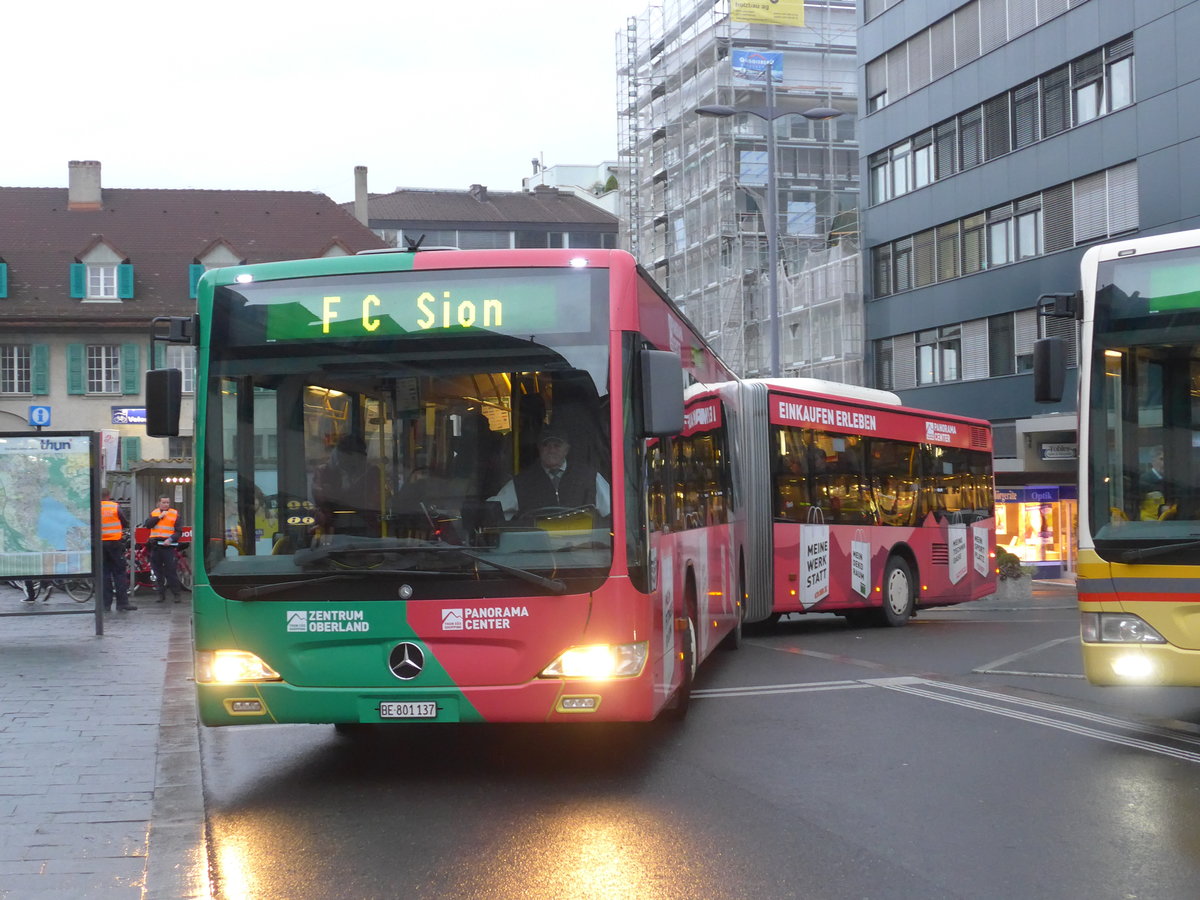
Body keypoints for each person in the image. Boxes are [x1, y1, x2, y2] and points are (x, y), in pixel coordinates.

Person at [489, 427, 611, 521]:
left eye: (557, 445)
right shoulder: (521, 483)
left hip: (584, 549)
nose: (551, 450)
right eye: (546, 445)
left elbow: (612, 512)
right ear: (539, 448)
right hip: (537, 550)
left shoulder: (590, 477)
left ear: (567, 449)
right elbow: (493, 510)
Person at [312, 434, 383, 536]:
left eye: (358, 456)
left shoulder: (373, 472)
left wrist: (337, 496)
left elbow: (374, 502)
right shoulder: (323, 472)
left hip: (367, 527)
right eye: (347, 455)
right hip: (331, 529)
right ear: (339, 454)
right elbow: (321, 498)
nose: (352, 460)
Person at [143, 496, 185, 602]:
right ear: (159, 503)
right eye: (164, 502)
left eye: (168, 502)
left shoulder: (174, 514)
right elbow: (148, 525)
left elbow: (179, 531)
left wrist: (170, 539)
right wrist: (159, 517)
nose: (166, 504)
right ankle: (161, 595)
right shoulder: (154, 513)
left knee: (171, 571)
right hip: (155, 546)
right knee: (157, 573)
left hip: (168, 546)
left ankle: (176, 594)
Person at [100, 488, 135, 611]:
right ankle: (122, 603)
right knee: (119, 573)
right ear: (109, 495)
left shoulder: (94, 508)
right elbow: (125, 522)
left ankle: (106, 604)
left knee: (104, 574)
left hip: (100, 545)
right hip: (115, 544)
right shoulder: (114, 507)